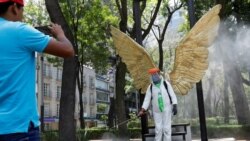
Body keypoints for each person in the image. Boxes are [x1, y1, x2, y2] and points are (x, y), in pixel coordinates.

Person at [0, 0, 74, 140]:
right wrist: (60, 34)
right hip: (18, 128)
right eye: (22, 9)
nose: (22, 14)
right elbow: (68, 50)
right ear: (14, 7)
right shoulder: (19, 30)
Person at [138, 68, 178, 141]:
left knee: (166, 128)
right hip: (156, 111)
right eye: (152, 75)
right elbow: (147, 99)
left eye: (155, 74)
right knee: (158, 129)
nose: (154, 76)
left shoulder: (166, 84)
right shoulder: (151, 87)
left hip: (167, 109)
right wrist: (142, 110)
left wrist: (175, 105)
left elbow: (172, 94)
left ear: (158, 74)